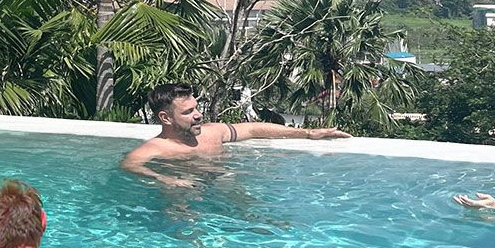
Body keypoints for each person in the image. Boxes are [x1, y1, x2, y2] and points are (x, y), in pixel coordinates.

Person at [120, 83, 351, 186]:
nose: (199, 115)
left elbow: (251, 129)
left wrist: (309, 134)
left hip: (223, 184)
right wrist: (164, 178)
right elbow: (129, 165)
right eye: (189, 112)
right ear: (166, 118)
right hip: (186, 191)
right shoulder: (156, 148)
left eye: (197, 108)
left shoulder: (212, 133)